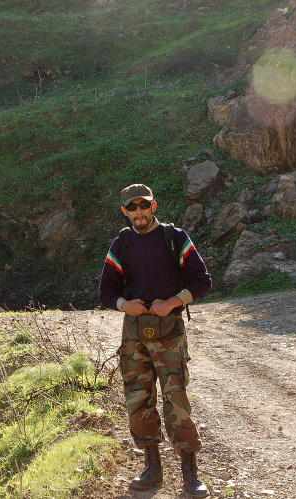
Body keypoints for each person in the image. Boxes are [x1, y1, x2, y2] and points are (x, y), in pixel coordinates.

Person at [100, 183, 212, 498]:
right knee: (138, 399)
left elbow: (202, 280)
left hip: (170, 330)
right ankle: (152, 471)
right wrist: (126, 305)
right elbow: (106, 291)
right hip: (134, 333)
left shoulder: (174, 238)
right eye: (132, 207)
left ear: (154, 206)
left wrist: (173, 302)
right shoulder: (121, 244)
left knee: (176, 398)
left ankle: (190, 474)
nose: (138, 212)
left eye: (143, 206)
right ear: (125, 211)